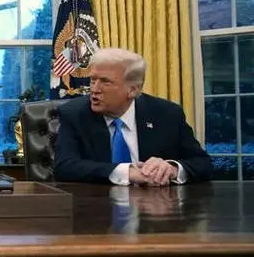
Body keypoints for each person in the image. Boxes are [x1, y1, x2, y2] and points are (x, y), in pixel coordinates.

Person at [54, 47, 213, 185]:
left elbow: (203, 164)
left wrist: (172, 169)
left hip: (156, 205)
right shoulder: (74, 114)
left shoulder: (167, 114)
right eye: (92, 80)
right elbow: (64, 167)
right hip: (98, 205)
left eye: (105, 82)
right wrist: (127, 172)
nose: (94, 89)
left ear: (133, 90)